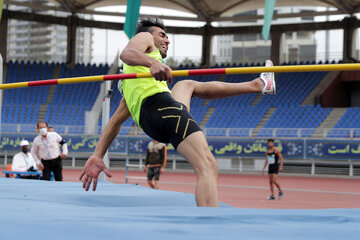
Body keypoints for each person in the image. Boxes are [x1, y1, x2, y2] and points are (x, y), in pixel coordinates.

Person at [80, 18, 276, 207]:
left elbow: (115, 122)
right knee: (207, 165)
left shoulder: (132, 87)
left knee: (185, 85)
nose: (167, 40)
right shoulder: (144, 39)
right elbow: (127, 52)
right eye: (162, 35)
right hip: (163, 110)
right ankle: (211, 225)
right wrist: (153, 63)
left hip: (154, 120)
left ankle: (258, 84)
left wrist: (97, 155)